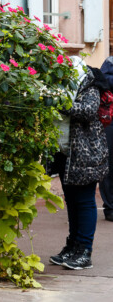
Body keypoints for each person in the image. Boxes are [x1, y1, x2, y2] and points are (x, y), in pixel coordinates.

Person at [49, 58, 109, 270]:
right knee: (72, 201)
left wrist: (58, 103)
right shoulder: (63, 85)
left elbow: (88, 111)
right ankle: (73, 246)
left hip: (87, 153)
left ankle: (85, 251)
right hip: (67, 152)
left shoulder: (89, 84)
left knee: (84, 201)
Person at [99, 56, 113, 221]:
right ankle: (110, 208)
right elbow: (104, 82)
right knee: (109, 164)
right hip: (110, 121)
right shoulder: (110, 62)